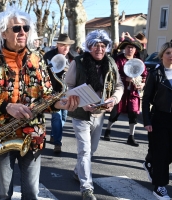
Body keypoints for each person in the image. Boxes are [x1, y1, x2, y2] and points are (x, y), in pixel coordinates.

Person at [0, 7, 79, 199]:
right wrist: (6, 107)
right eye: (17, 28)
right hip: (0, 136)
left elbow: (46, 98)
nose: (23, 33)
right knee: (3, 194)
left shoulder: (38, 59)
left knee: (31, 193)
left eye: (26, 28)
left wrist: (61, 104)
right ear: (3, 32)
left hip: (32, 136)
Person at [65, 29, 124, 200]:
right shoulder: (79, 62)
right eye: (96, 45)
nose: (99, 49)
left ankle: (78, 172)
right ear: (89, 47)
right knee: (84, 151)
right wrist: (83, 103)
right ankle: (87, 188)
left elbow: (119, 85)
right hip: (80, 114)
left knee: (92, 150)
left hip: (100, 113)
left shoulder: (111, 62)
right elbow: (67, 86)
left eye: (103, 45)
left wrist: (114, 99)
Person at [103, 37, 147, 146]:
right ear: (125, 49)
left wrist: (142, 83)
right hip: (120, 91)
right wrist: (124, 79)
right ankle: (108, 130)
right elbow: (113, 75)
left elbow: (145, 75)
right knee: (115, 113)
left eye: (132, 48)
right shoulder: (118, 60)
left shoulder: (139, 62)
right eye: (128, 47)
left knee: (134, 113)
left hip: (133, 92)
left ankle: (131, 136)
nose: (130, 49)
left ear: (135, 50)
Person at [142, 42, 172, 200]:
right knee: (161, 153)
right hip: (159, 117)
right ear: (162, 55)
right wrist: (147, 120)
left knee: (169, 153)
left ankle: (149, 161)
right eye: (168, 52)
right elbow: (146, 99)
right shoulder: (155, 73)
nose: (171, 55)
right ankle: (159, 186)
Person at [43, 33, 75, 153]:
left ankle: (54, 134)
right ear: (57, 45)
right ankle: (58, 143)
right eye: (63, 45)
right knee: (57, 117)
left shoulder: (72, 57)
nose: (66, 48)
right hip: (53, 92)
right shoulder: (48, 56)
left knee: (64, 117)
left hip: (67, 92)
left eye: (67, 46)